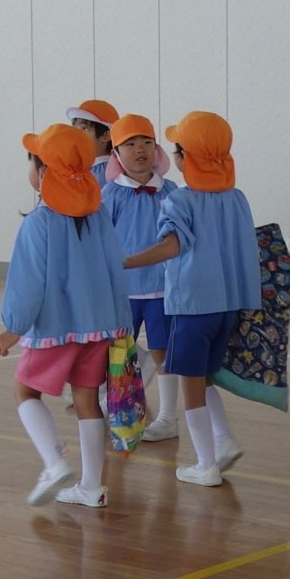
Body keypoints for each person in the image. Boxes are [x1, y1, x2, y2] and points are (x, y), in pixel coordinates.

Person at [0, 125, 131, 509]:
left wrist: (13, 328)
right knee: (88, 400)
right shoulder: (99, 215)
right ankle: (92, 487)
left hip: (56, 328)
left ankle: (54, 463)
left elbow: (28, 282)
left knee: (25, 391)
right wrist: (120, 322)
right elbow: (115, 269)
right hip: (100, 326)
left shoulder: (38, 222)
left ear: (42, 171)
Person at [120, 111, 260, 488]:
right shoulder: (237, 198)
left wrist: (125, 262)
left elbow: (171, 246)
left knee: (190, 385)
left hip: (192, 305)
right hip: (228, 304)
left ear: (186, 156)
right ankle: (224, 439)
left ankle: (205, 464)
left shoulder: (179, 200)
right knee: (204, 376)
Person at [103, 114, 182, 442]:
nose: (140, 150)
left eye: (147, 142)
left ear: (157, 148)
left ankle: (167, 417)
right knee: (118, 351)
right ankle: (116, 408)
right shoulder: (111, 194)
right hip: (124, 291)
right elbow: (101, 240)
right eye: (131, 144)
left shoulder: (172, 192)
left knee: (164, 353)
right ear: (116, 153)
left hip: (164, 289)